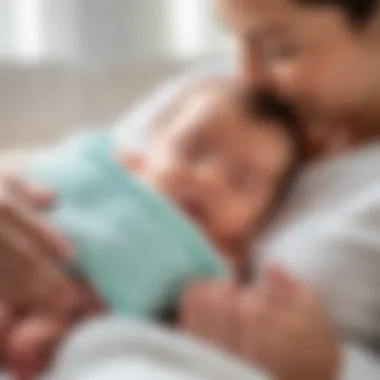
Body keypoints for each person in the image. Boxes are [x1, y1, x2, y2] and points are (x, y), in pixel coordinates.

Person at [1, 0, 380, 378]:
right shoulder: (213, 94)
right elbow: (83, 175)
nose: (247, 75)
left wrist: (330, 366)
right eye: (233, 37)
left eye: (280, 49)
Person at [1, 78, 305, 378]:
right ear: (144, 154)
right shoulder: (111, 172)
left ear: (259, 219)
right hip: (23, 261)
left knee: (50, 340)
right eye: (193, 152)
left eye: (240, 181)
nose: (208, 179)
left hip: (79, 320)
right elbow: (33, 186)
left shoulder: (219, 264)